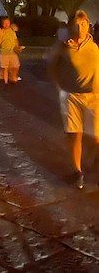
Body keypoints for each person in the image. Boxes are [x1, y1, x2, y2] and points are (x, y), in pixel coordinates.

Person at [48, 10, 99, 189]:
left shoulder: (93, 46)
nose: (81, 28)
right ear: (71, 26)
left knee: (96, 137)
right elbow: (52, 65)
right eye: (77, 24)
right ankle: (77, 172)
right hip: (70, 96)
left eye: (84, 24)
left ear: (89, 26)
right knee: (74, 134)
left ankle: (91, 161)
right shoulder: (63, 45)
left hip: (92, 97)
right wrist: (58, 88)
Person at [0, 17, 20, 85]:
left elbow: (15, 40)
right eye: (5, 23)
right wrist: (0, 35)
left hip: (13, 52)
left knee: (16, 66)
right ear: (2, 24)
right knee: (5, 68)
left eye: (8, 23)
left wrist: (17, 47)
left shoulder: (12, 30)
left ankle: (13, 77)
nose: (6, 24)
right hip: (4, 53)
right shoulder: (0, 31)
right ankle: (5, 82)